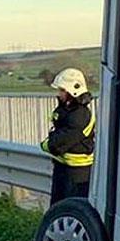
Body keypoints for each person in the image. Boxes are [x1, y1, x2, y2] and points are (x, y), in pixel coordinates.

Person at [41, 67, 96, 203]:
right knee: (59, 210)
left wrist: (47, 144)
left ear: (73, 91)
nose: (59, 94)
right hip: (64, 169)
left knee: (70, 210)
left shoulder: (80, 115)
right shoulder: (68, 110)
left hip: (77, 174)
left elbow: (58, 143)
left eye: (62, 90)